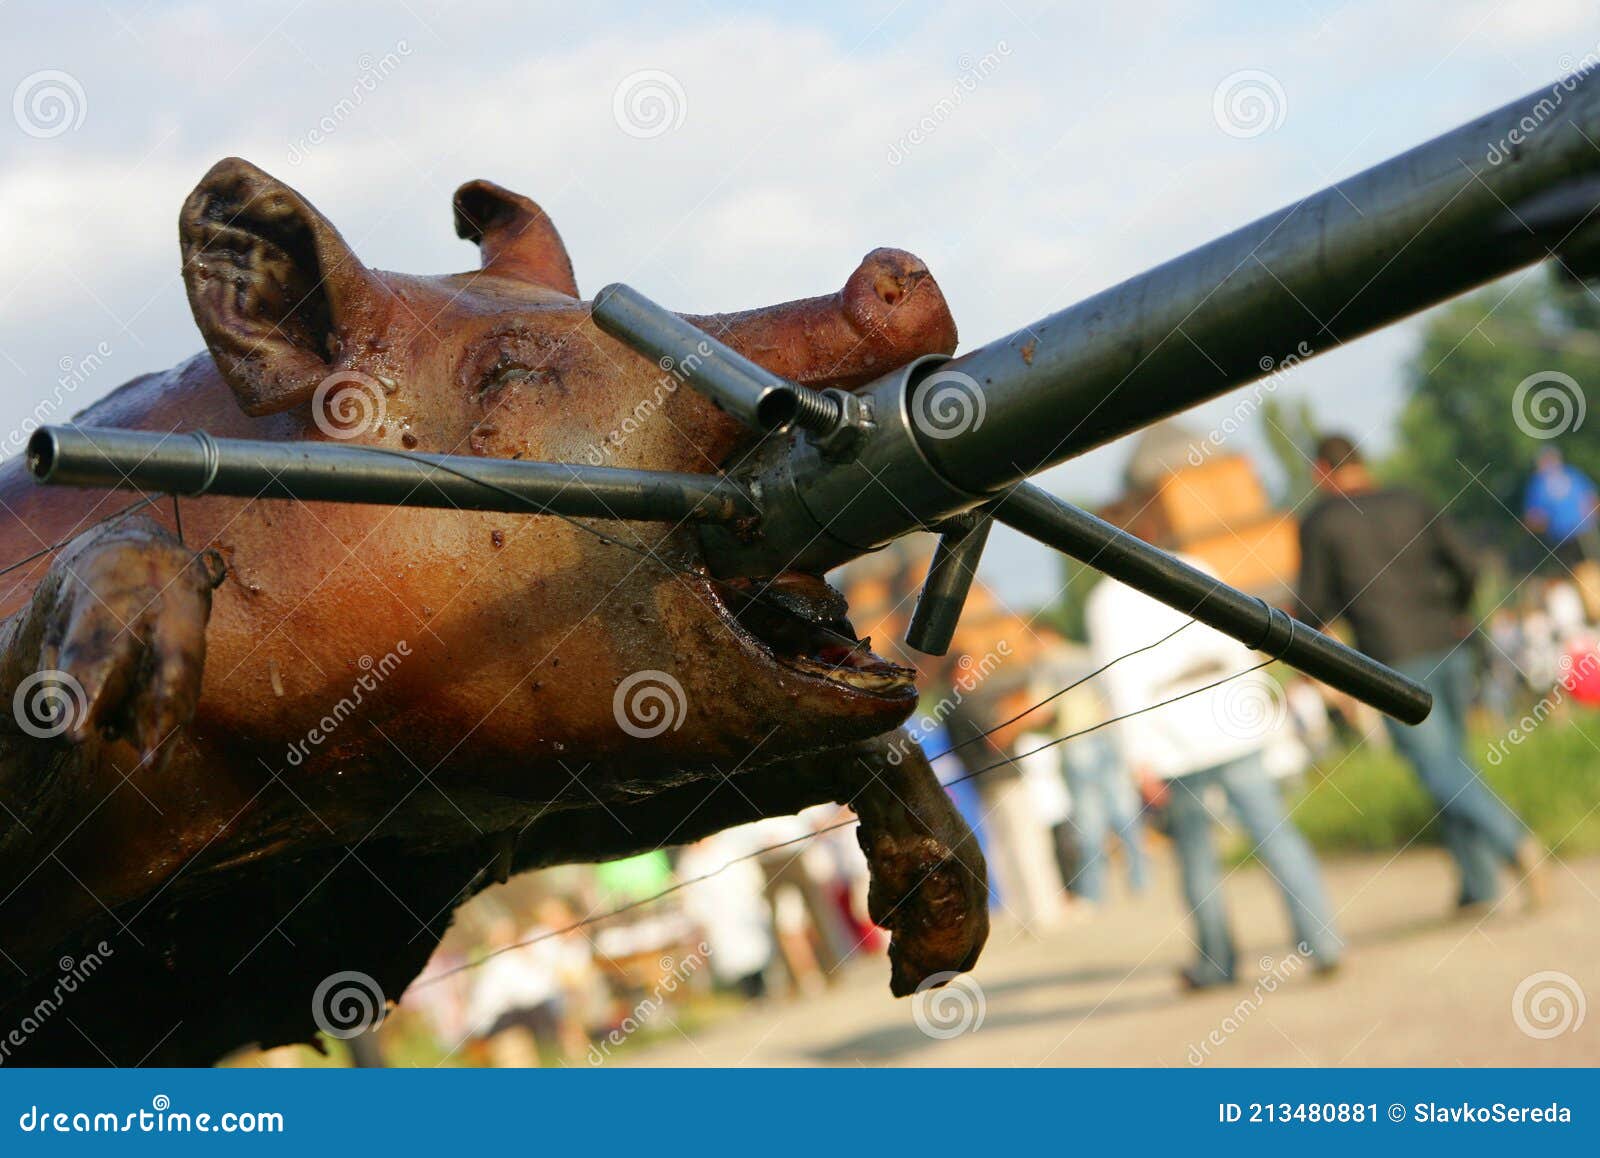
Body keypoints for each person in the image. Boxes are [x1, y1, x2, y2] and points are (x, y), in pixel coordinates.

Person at [1298, 434, 1546, 912]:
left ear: (1322, 471)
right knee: (1455, 762)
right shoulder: (1411, 499)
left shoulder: (1323, 521)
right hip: (1451, 646)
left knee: (1439, 769)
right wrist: (1456, 610)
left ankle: (1516, 843)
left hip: (1390, 663)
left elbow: (1313, 605)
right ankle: (1478, 884)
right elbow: (1468, 564)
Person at [1087, 567, 1342, 989]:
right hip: (1231, 718)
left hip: (1172, 734)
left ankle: (1217, 962)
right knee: (1276, 836)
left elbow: (1120, 682)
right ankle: (1323, 941)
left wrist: (1138, 759)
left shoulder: (1106, 600)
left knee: (1196, 855)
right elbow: (1242, 631)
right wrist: (1259, 710)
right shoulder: (1193, 564)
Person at [1522, 447, 1600, 568]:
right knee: (1577, 572)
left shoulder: (1572, 475)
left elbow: (1591, 499)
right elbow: (1534, 517)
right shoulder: (1538, 484)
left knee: (1589, 570)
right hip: (1561, 537)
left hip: (1582, 533)